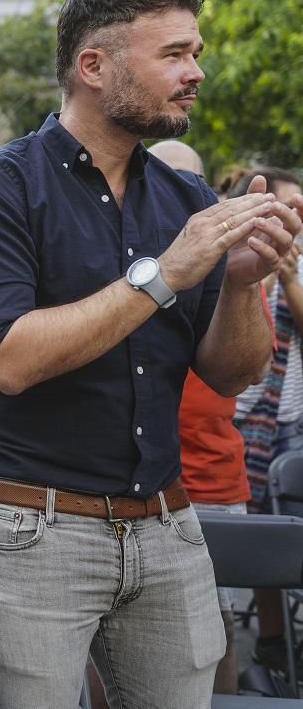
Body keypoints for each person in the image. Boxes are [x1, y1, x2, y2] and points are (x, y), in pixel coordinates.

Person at [0, 0, 301, 708]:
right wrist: (165, 274)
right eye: (173, 54)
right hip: (32, 528)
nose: (195, 72)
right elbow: (9, 361)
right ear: (93, 66)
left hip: (167, 522)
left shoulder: (186, 198)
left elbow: (234, 376)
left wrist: (241, 283)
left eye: (195, 52)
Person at [146, 139, 255, 696]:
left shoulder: (227, 264)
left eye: (189, 183)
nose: (176, 195)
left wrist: (244, 280)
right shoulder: (120, 259)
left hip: (210, 481)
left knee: (216, 626)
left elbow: (245, 371)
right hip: (130, 485)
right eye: (160, 179)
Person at [227, 167, 303, 673]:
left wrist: (290, 275)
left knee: (283, 529)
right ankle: (274, 643)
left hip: (289, 421)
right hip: (240, 419)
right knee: (258, 532)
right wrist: (263, 273)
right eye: (290, 207)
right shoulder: (234, 259)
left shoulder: (298, 262)